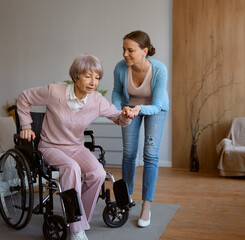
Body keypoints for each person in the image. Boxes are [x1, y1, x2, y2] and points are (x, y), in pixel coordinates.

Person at [17, 54, 132, 240]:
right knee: (71, 168)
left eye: (97, 78)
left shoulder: (96, 100)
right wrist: (26, 126)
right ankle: (77, 229)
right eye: (88, 76)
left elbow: (119, 118)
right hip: (51, 147)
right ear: (76, 75)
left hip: (76, 148)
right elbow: (24, 97)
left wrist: (126, 115)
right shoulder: (54, 91)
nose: (93, 82)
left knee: (98, 173)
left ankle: (78, 218)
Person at [112, 30, 169, 228]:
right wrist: (119, 110)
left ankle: (147, 205)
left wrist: (140, 109)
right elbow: (117, 93)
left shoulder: (159, 69)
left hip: (155, 108)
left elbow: (158, 104)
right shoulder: (120, 68)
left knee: (150, 154)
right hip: (130, 108)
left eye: (130, 50)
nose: (125, 54)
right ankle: (126, 199)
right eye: (123, 50)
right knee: (129, 153)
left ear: (144, 51)